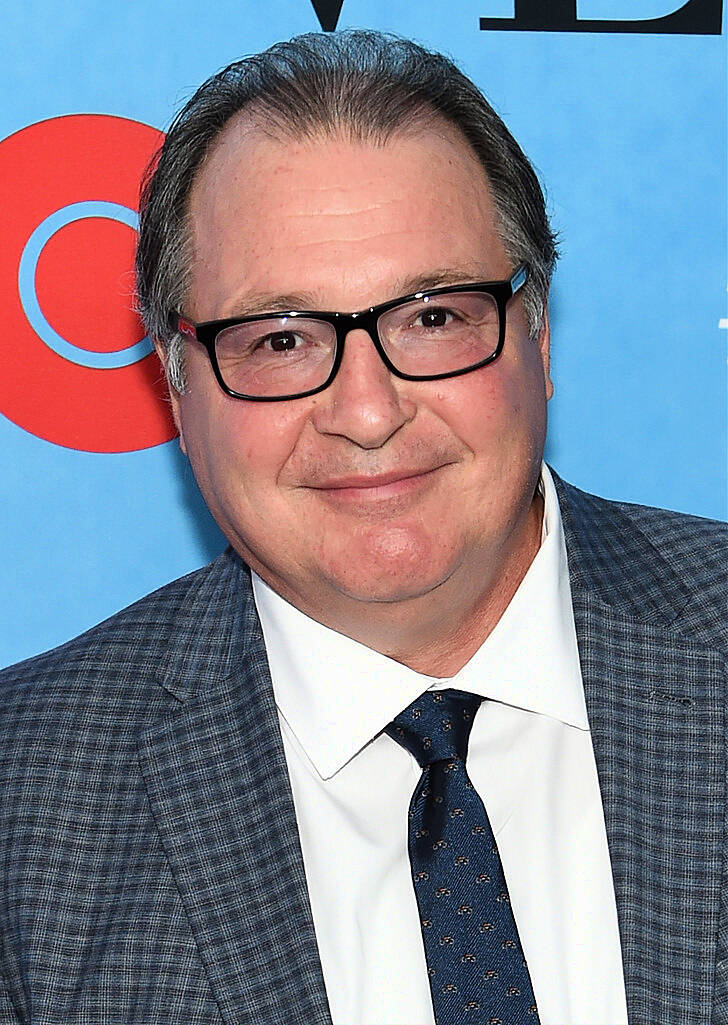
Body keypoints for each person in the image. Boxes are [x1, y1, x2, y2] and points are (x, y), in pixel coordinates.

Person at [0, 29, 725, 1025]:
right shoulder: (25, 800)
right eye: (281, 340)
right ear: (176, 388)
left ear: (537, 337)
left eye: (432, 317)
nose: (369, 409)